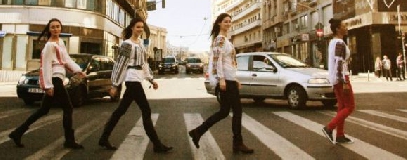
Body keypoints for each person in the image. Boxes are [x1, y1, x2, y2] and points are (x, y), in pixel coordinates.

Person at [98, 17, 172, 153]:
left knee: (120, 111)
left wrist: (151, 79)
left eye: (142, 27)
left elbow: (144, 64)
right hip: (131, 79)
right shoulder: (126, 44)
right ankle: (157, 144)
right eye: (138, 27)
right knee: (146, 110)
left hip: (137, 79)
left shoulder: (141, 44)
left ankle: (104, 137)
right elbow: (120, 64)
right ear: (132, 28)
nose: (140, 29)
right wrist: (115, 84)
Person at [9, 18, 85, 149]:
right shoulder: (49, 45)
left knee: (43, 110)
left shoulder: (60, 42)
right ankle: (69, 140)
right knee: (68, 108)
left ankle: (17, 132)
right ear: (49, 29)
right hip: (54, 79)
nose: (56, 29)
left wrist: (78, 70)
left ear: (61, 28)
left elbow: (66, 60)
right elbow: (45, 66)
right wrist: (48, 86)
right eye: (53, 27)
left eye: (58, 26)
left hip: (58, 78)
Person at [188, 13, 254, 154]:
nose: (228, 24)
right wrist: (222, 79)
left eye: (230, 21)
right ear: (219, 23)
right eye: (225, 21)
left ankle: (198, 132)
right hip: (225, 82)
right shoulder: (220, 40)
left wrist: (234, 79)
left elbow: (228, 63)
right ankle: (237, 143)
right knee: (236, 111)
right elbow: (217, 60)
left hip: (230, 80)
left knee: (224, 112)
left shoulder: (226, 40)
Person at [322, 18, 355, 144]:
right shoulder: (339, 43)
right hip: (341, 77)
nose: (346, 27)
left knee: (342, 107)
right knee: (350, 106)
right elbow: (339, 62)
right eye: (343, 25)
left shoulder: (333, 42)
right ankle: (329, 128)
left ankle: (340, 135)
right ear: (337, 29)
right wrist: (344, 81)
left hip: (335, 78)